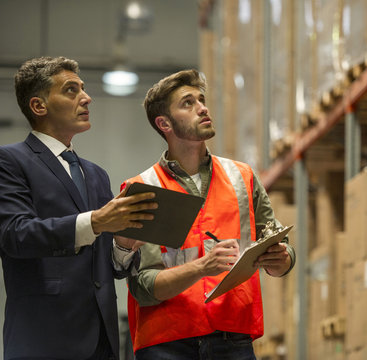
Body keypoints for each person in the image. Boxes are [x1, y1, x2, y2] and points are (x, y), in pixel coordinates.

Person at [124, 69, 296, 359]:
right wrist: (202, 267)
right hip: (168, 343)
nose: (202, 108)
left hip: (233, 338)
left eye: (201, 100)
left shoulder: (243, 176)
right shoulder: (143, 189)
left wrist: (282, 259)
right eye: (187, 103)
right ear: (164, 123)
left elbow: (282, 255)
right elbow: (144, 286)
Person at [0, 56, 158, 360]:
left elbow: (107, 266)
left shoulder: (96, 174)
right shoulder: (10, 161)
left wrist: (123, 247)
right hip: (42, 337)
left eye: (83, 89)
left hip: (102, 337)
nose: (86, 98)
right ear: (38, 106)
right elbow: (13, 235)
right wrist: (96, 222)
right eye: (71, 90)